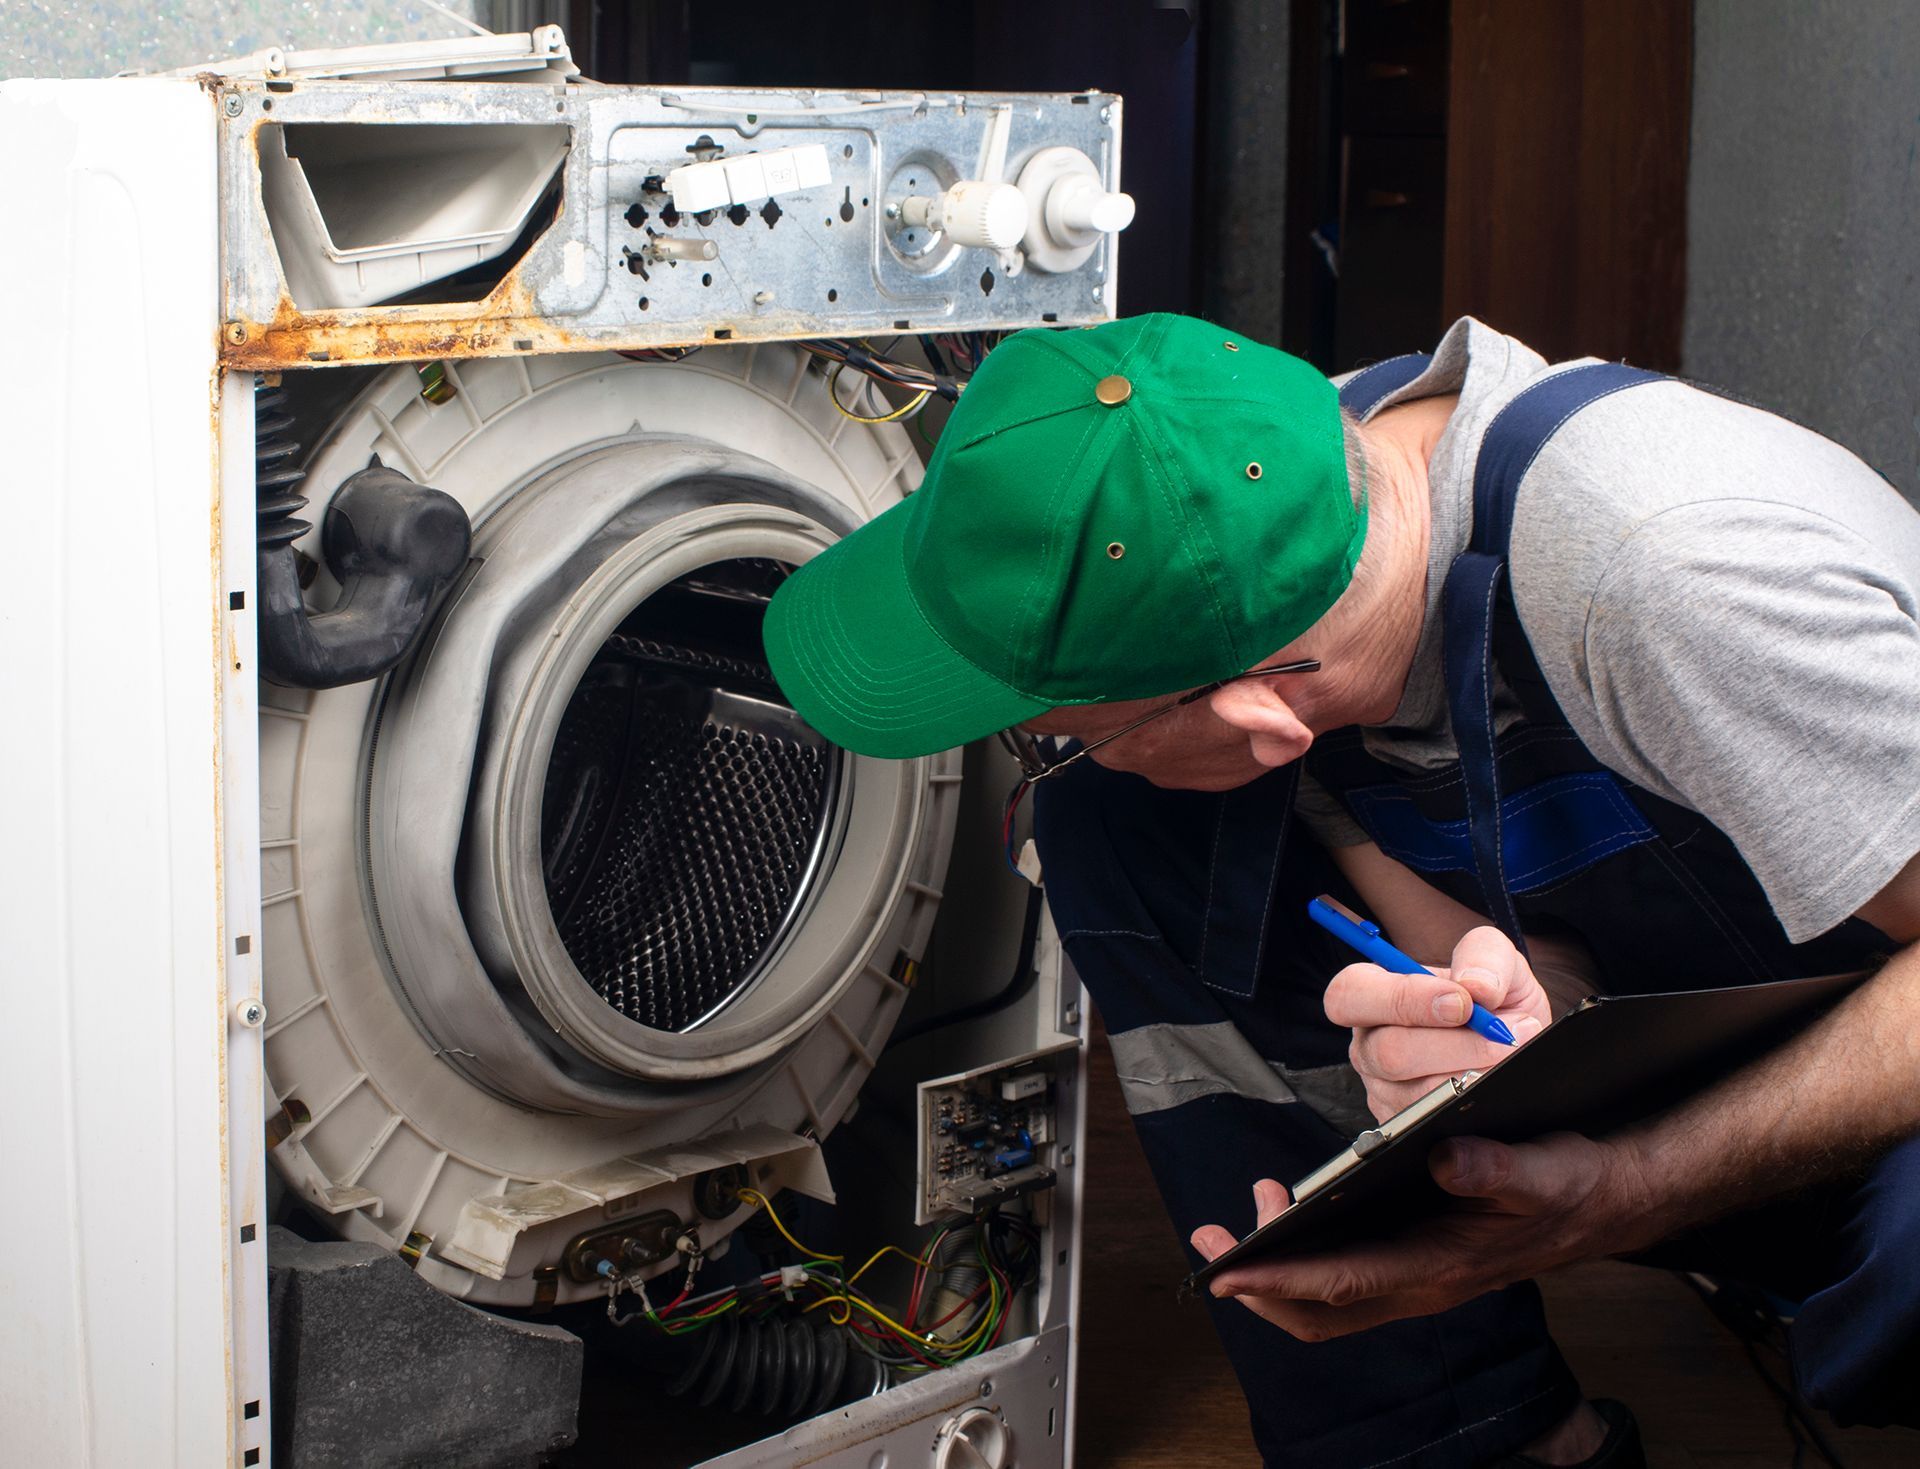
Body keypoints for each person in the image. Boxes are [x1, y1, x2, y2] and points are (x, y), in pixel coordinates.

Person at [760, 312, 1920, 1468]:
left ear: (1254, 722)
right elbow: (1488, 898)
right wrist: (1532, 1022)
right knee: (1113, 817)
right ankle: (1471, 1440)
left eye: (1052, 736)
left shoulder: (1671, 581)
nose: (1045, 752)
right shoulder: (1266, 488)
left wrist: (1627, 1186)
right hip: (1740, 999)